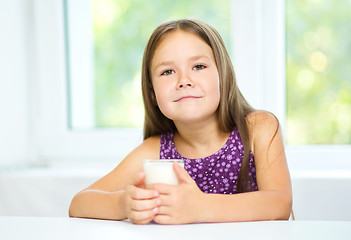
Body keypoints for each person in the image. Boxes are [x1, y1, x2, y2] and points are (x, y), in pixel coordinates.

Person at [69, 18, 292, 225]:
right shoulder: (154, 151)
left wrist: (201, 207)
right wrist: (123, 204)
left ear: (222, 76)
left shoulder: (258, 129)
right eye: (167, 72)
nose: (184, 81)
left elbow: (280, 204)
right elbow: (78, 204)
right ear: (153, 94)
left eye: (198, 67)